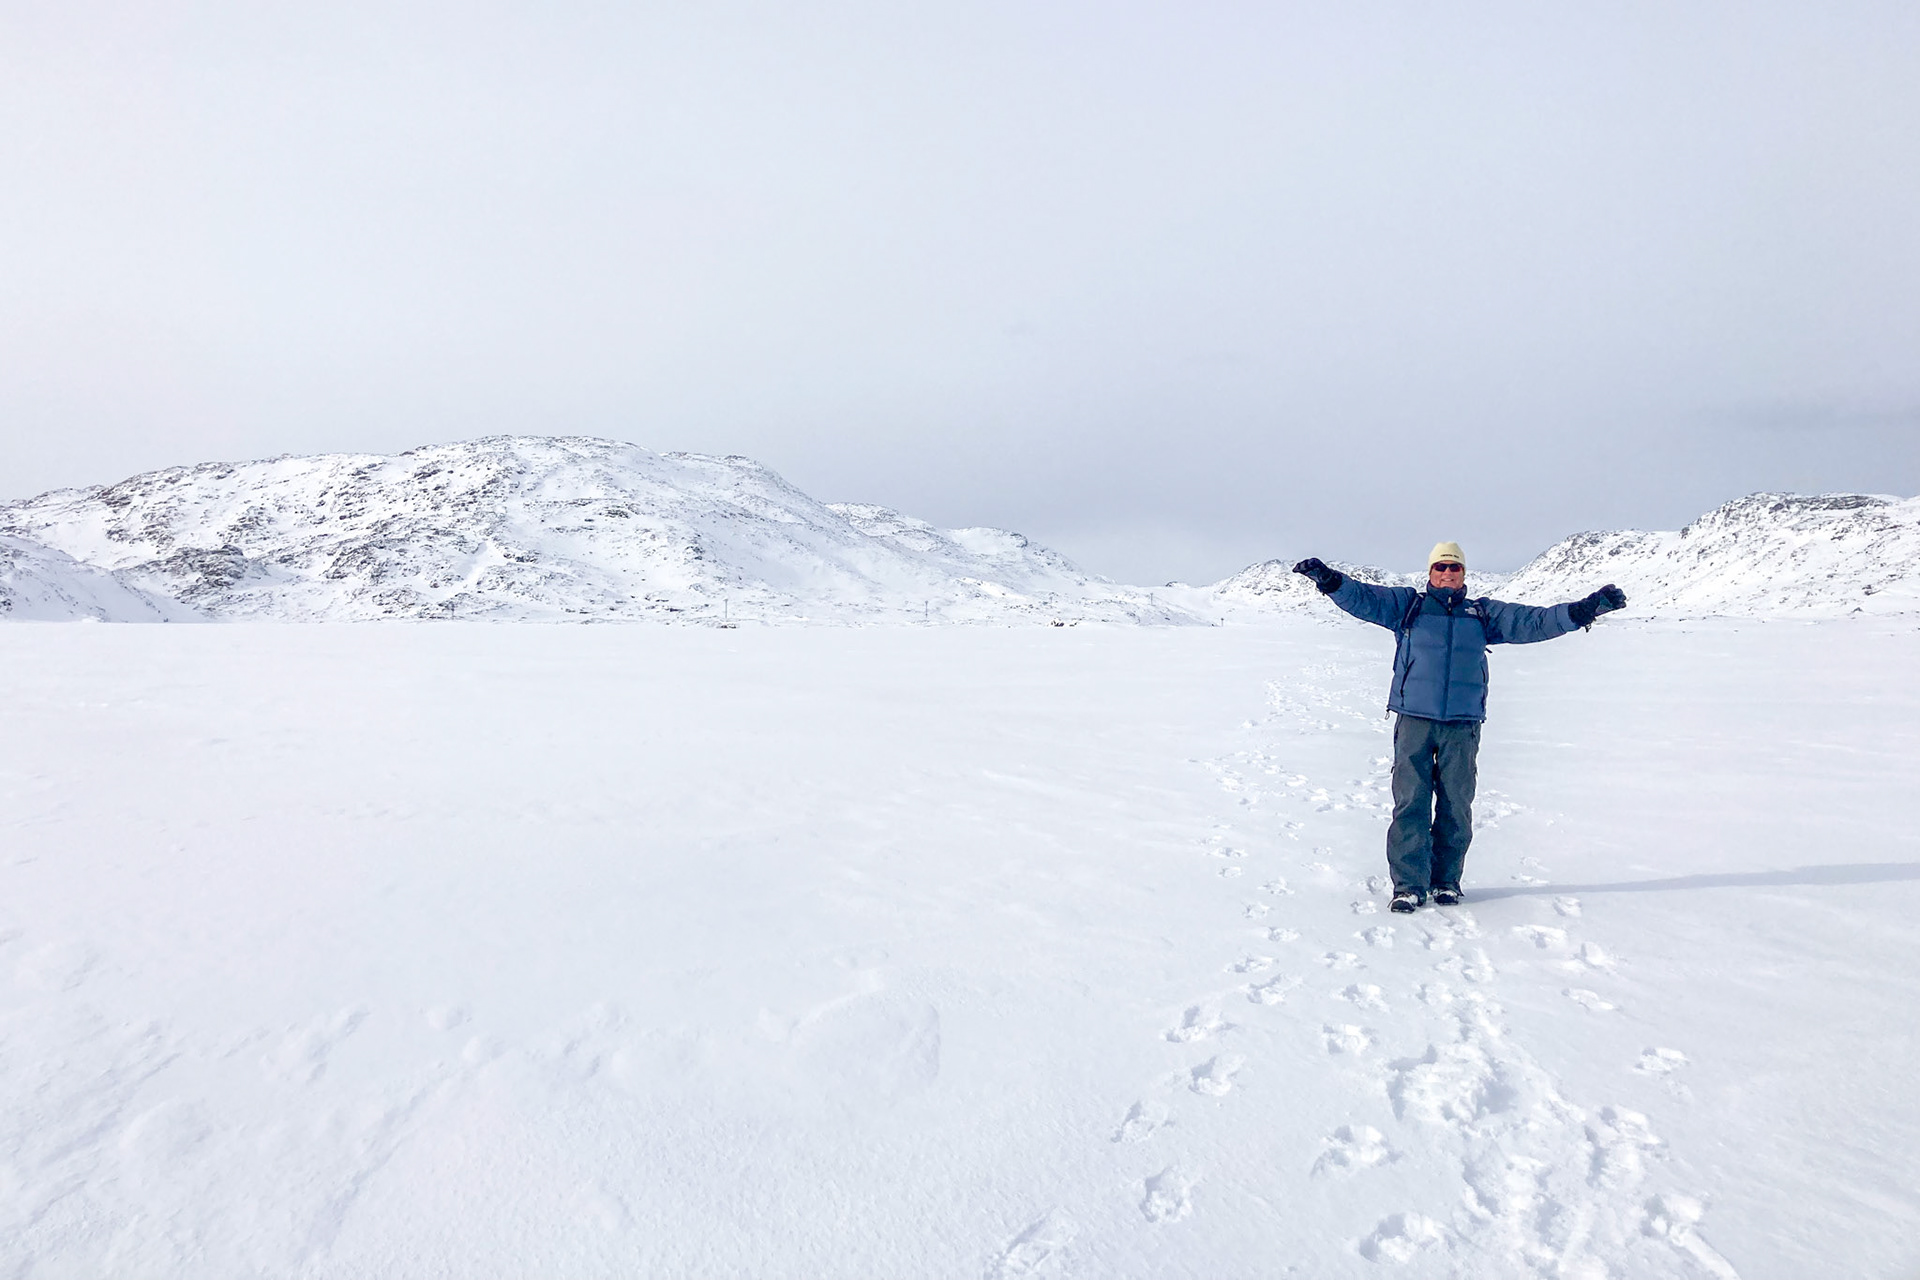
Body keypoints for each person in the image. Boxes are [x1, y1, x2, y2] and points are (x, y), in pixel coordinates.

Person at [1291, 543, 1625, 913]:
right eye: (1440, 567)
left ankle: (1446, 881)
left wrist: (1583, 611)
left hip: (1462, 726)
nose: (1447, 573)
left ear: (1463, 574)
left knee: (1456, 805)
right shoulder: (1408, 607)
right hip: (1415, 719)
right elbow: (1366, 599)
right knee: (1411, 803)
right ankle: (1408, 885)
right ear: (1430, 572)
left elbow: (1534, 622)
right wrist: (1331, 581)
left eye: (1454, 568)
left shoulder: (1482, 614)